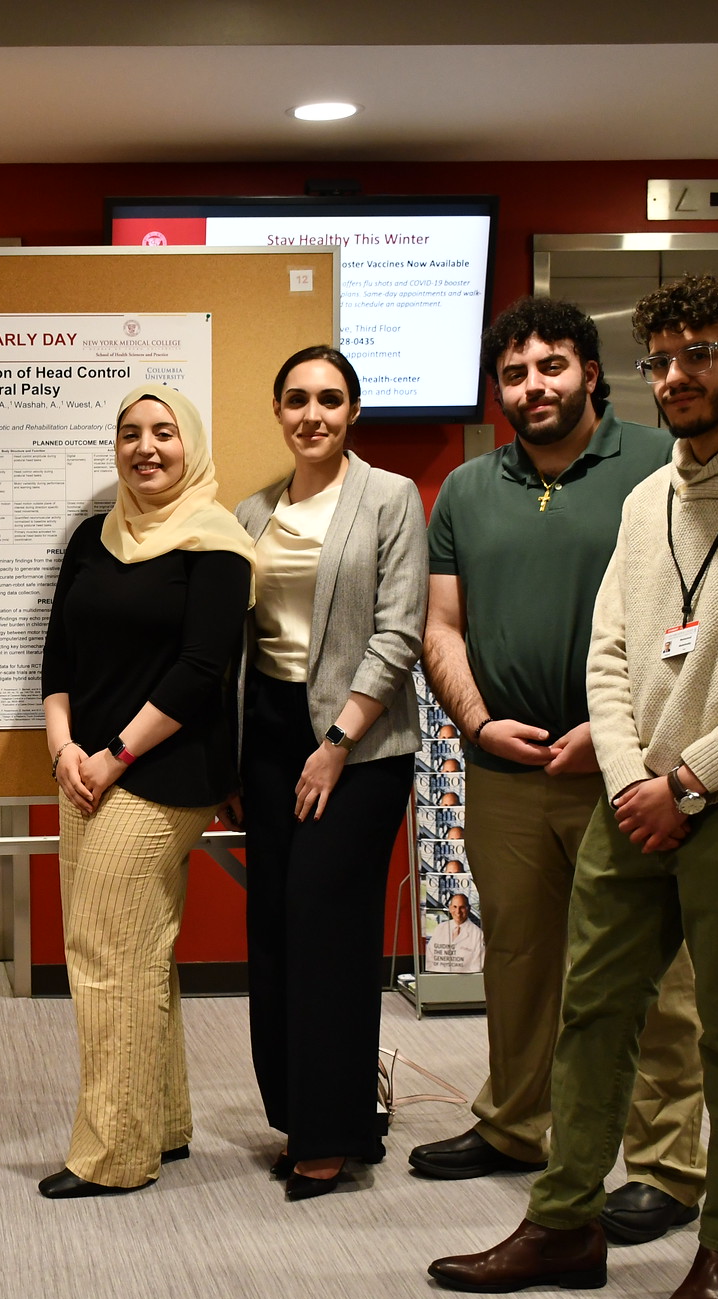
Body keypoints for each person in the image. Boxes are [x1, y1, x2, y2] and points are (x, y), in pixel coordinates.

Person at [428, 275, 718, 1299]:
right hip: (638, 799)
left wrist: (686, 779)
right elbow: (612, 654)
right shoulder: (647, 499)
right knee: (591, 1011)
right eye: (661, 360)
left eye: (698, 355)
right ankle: (563, 1223)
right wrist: (635, 779)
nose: (674, 377)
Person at [415, 296, 707, 1244]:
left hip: (627, 768)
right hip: (503, 768)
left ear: (588, 368)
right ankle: (515, 1124)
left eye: (550, 366)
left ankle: (665, 1164)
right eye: (513, 373)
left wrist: (609, 731)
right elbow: (442, 627)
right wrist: (478, 720)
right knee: (522, 957)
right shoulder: (465, 489)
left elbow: (689, 623)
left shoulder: (660, 470)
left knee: (650, 970)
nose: (532, 387)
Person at [36, 383, 253, 1199]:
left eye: (164, 432)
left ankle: (115, 1154)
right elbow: (58, 658)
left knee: (105, 954)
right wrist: (65, 750)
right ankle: (160, 1120)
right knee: (135, 952)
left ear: (189, 443)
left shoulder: (218, 542)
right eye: (131, 433)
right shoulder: (94, 538)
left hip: (162, 774)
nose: (146, 447)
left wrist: (113, 755)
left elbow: (202, 670)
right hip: (83, 771)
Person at [229, 345, 425, 1200]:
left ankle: (332, 1134)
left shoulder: (388, 498)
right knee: (273, 929)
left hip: (360, 743)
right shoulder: (251, 512)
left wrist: (339, 740)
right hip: (269, 737)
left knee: (328, 932)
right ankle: (305, 1111)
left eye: (331, 399)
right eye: (298, 399)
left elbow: (400, 630)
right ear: (278, 410)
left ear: (354, 414)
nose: (314, 413)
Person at [425, 895, 486, 974]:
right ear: (450, 908)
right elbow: (430, 956)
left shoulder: (478, 934)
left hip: (465, 982)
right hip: (439, 978)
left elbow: (478, 965)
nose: (458, 912)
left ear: (469, 909)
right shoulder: (440, 928)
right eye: (454, 907)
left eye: (462, 907)